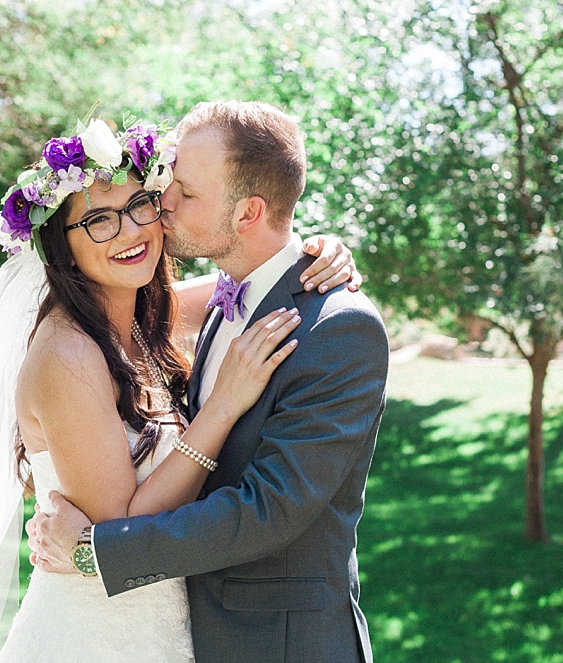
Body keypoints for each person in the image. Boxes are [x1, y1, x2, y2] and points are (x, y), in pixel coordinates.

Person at [0, 112, 359, 662]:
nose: (129, 230)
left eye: (138, 205)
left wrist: (317, 252)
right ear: (62, 246)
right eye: (99, 221)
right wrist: (221, 408)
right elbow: (119, 525)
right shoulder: (69, 354)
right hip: (98, 635)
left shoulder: (140, 320)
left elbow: (252, 280)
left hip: (172, 624)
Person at [30, 100, 389, 663]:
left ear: (247, 213)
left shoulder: (339, 329)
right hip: (170, 629)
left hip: (280, 644)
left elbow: (268, 509)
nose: (160, 207)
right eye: (166, 185)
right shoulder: (220, 302)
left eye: (184, 194)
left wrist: (93, 552)